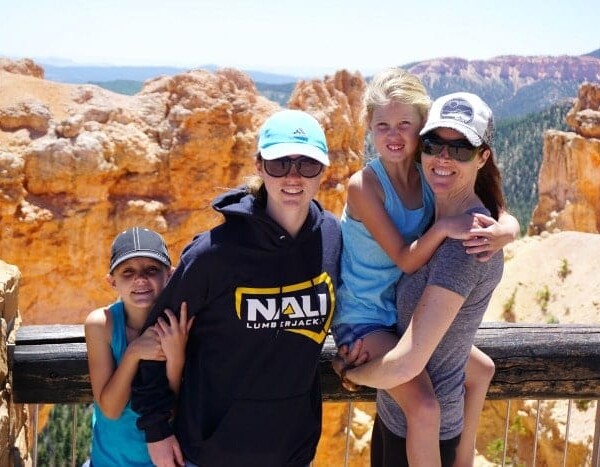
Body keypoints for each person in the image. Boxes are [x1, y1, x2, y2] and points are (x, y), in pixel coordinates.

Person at [131, 109, 342, 467]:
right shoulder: (214, 254)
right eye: (279, 163)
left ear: (323, 170)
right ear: (260, 167)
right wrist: (156, 429)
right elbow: (155, 336)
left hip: (292, 452)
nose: (293, 177)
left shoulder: (332, 237)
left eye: (307, 164)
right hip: (211, 453)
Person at [331, 69, 519, 466]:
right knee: (425, 407)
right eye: (382, 125)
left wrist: (507, 231)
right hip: (367, 318)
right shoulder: (364, 185)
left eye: (405, 125)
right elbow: (403, 257)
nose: (394, 135)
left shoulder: (428, 172)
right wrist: (446, 228)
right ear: (368, 127)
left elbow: (495, 208)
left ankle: (463, 458)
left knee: (481, 369)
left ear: (419, 129)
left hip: (399, 312)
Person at [84, 227, 193, 466]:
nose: (140, 279)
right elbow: (111, 410)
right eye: (127, 272)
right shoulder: (101, 325)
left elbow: (176, 412)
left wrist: (176, 359)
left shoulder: (183, 325)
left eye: (152, 270)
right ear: (111, 281)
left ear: (170, 275)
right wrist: (133, 353)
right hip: (110, 461)